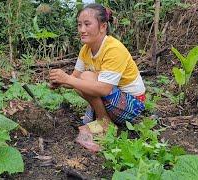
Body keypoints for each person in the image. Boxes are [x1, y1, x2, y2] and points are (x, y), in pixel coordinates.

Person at [49, 3, 146, 152]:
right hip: (114, 101)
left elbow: (104, 90)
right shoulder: (86, 49)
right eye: (79, 25)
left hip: (132, 105)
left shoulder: (113, 48)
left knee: (85, 77)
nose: (82, 30)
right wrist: (61, 81)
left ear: (102, 26)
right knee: (80, 80)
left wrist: (69, 80)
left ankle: (104, 123)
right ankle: (103, 121)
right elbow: (74, 78)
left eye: (87, 24)